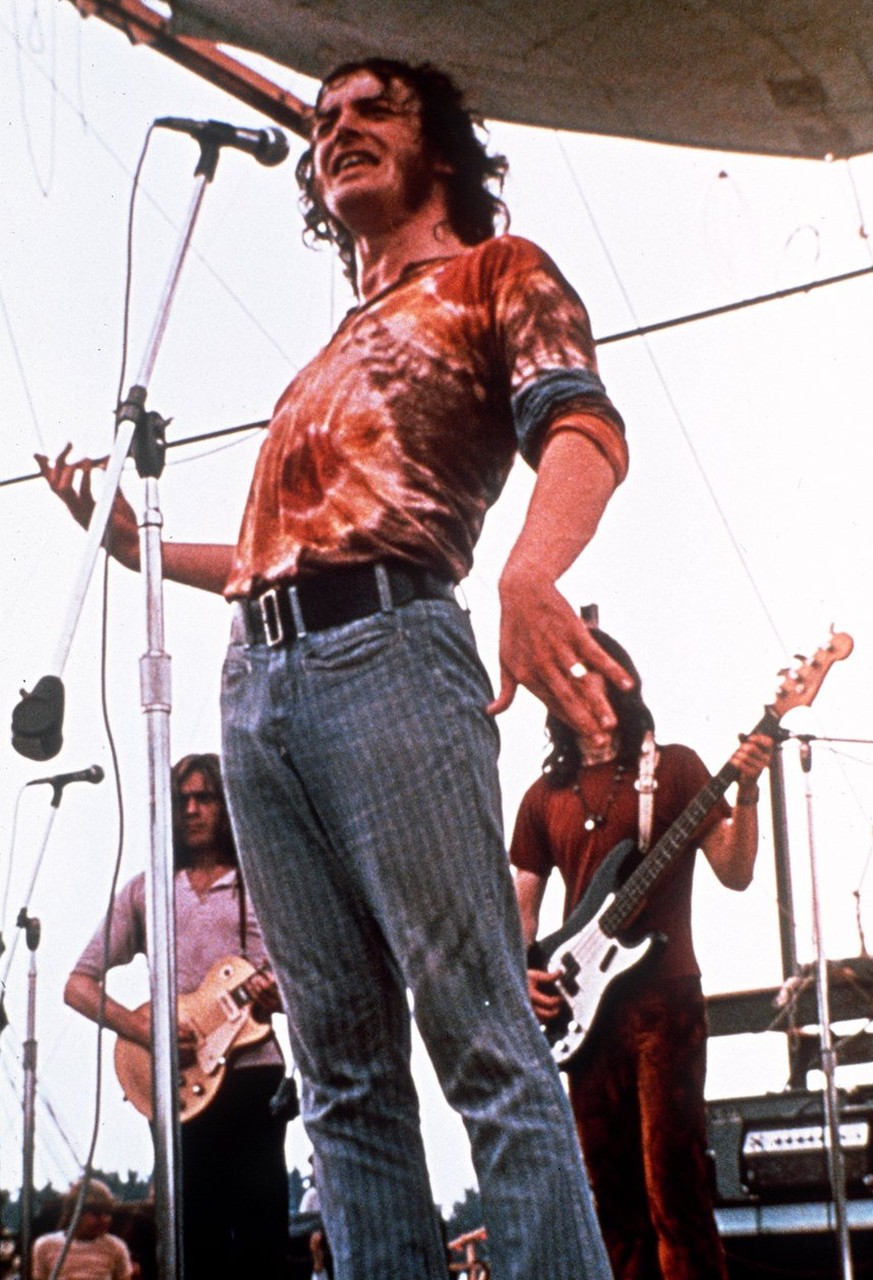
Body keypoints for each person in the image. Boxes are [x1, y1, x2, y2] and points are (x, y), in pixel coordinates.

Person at [37, 57, 634, 1279]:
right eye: (322, 120)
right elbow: (273, 551)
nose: (339, 128)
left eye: (373, 109)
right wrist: (128, 541)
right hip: (259, 685)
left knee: (481, 1043)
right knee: (344, 1075)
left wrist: (530, 572)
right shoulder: (334, 347)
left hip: (389, 651)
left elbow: (583, 423)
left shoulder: (491, 274)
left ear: (442, 150)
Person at [510, 624, 773, 1280]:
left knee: (674, 1193)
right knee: (614, 1203)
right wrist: (523, 975)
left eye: (585, 669)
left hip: (665, 1003)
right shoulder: (540, 799)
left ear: (616, 680)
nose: (574, 685)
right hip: (583, 1017)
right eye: (562, 676)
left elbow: (734, 872)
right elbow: (519, 909)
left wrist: (745, 789)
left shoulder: (675, 768)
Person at [63, 754, 291, 1280]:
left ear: (226, 805)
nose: (192, 809)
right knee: (194, 1235)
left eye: (205, 797)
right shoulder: (148, 890)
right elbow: (78, 985)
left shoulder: (265, 882)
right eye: (182, 799)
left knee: (262, 1234)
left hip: (255, 1071)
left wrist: (279, 995)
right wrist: (144, 1029)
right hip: (179, 1083)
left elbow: (307, 978)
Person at [31, 1178, 133, 1280]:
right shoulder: (46, 1246)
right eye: (95, 1213)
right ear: (75, 1214)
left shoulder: (115, 1247)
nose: (104, 1219)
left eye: (107, 1213)